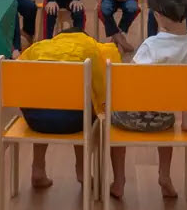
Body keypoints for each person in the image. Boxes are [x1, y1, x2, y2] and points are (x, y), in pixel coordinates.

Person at [109, 0, 187, 199]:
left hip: (130, 119)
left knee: (114, 119)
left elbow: (130, 83)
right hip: (163, 119)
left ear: (158, 16)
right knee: (167, 122)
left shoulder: (151, 45)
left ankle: (119, 180)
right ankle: (165, 175)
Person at [18, 28, 121, 188]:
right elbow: (102, 89)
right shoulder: (90, 48)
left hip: (35, 119)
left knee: (43, 98)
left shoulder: (39, 47)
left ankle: (38, 168)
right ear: (85, 37)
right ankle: (82, 171)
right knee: (86, 108)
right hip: (74, 120)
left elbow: (17, 71)